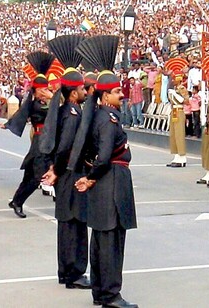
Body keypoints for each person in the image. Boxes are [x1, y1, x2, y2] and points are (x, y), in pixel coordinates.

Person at [74, 35, 138, 308]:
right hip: (111, 181)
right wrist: (91, 178)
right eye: (116, 92)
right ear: (104, 96)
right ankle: (112, 294)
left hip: (101, 183)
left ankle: (100, 291)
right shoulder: (109, 119)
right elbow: (104, 157)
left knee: (100, 240)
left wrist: (89, 178)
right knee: (112, 241)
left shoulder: (95, 117)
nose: (121, 95)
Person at [41, 35, 90, 290]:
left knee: (67, 225)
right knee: (74, 224)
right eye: (82, 89)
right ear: (73, 93)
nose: (85, 92)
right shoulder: (72, 114)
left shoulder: (66, 111)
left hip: (65, 174)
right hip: (71, 174)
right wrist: (57, 172)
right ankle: (74, 273)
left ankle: (66, 271)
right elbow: (66, 150)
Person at [0, 51, 55, 218]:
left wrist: (51, 97)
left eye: (47, 88)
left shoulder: (50, 100)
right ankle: (18, 201)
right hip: (40, 141)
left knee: (31, 175)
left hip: (49, 140)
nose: (45, 91)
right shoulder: (34, 103)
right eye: (42, 89)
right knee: (38, 175)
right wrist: (8, 125)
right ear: (36, 90)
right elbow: (21, 114)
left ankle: (16, 201)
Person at [167, 73, 189, 167]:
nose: (172, 80)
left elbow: (186, 101)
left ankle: (182, 156)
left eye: (174, 79)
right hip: (174, 111)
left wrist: (176, 94)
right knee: (173, 135)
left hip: (179, 110)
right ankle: (176, 155)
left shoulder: (182, 89)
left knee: (179, 134)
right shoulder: (173, 89)